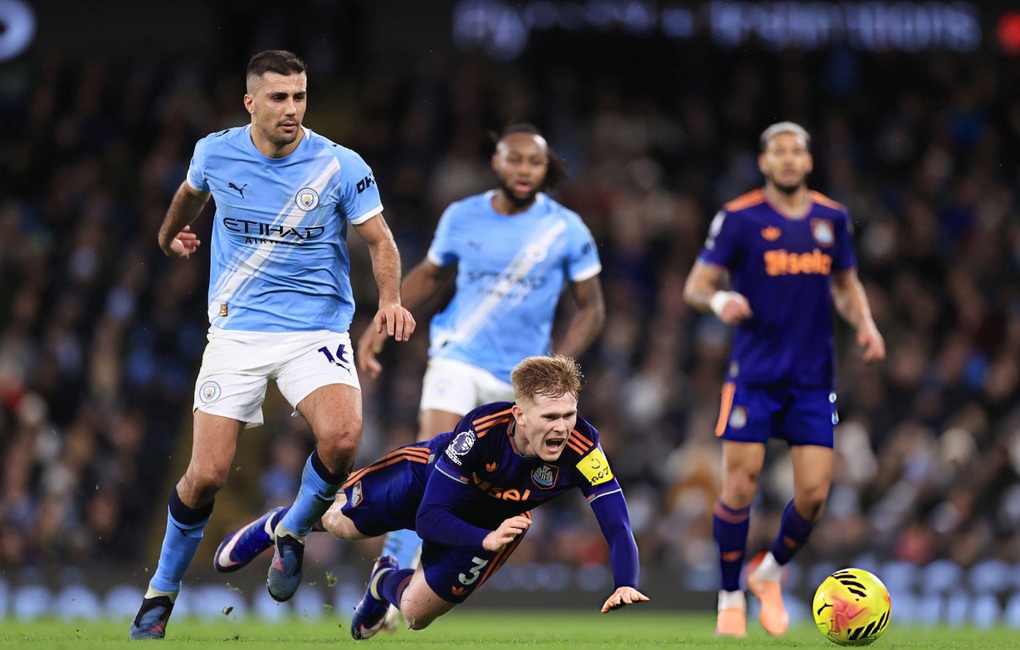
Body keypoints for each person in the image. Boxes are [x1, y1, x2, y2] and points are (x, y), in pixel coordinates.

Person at [128, 50, 415, 640]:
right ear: (250, 102)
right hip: (236, 331)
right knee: (206, 474)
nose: (292, 108)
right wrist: (167, 238)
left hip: (315, 331)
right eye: (280, 97)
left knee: (342, 437)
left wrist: (389, 300)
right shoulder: (215, 151)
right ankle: (161, 590)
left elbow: (380, 241)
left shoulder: (340, 164)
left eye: (300, 96)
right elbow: (188, 194)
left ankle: (291, 529)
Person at [355, 122, 605, 617]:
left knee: (490, 494)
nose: (524, 170)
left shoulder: (567, 228)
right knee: (432, 467)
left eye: (534, 162)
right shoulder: (462, 215)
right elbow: (431, 273)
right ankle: (388, 572)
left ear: (544, 167)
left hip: (522, 379)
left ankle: (417, 583)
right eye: (515, 159)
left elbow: (592, 309)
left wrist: (560, 365)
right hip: (458, 356)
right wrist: (384, 318)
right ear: (497, 162)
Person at [216, 355, 647, 639]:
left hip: (491, 525)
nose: (562, 427)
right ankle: (280, 523)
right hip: (426, 482)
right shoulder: (479, 432)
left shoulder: (584, 449)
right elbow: (429, 518)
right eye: (550, 416)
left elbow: (616, 521)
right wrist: (485, 541)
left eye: (569, 414)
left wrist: (626, 581)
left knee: (415, 615)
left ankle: (382, 580)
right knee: (338, 523)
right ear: (520, 413)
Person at [682, 122, 885, 637]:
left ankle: (767, 573)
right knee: (739, 485)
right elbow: (696, 285)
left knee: (815, 494)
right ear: (764, 162)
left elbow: (845, 284)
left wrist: (864, 322)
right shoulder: (739, 217)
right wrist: (719, 298)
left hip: (813, 379)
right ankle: (729, 598)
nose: (789, 159)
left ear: (809, 162)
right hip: (753, 375)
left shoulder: (832, 218)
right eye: (779, 152)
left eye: (797, 151)